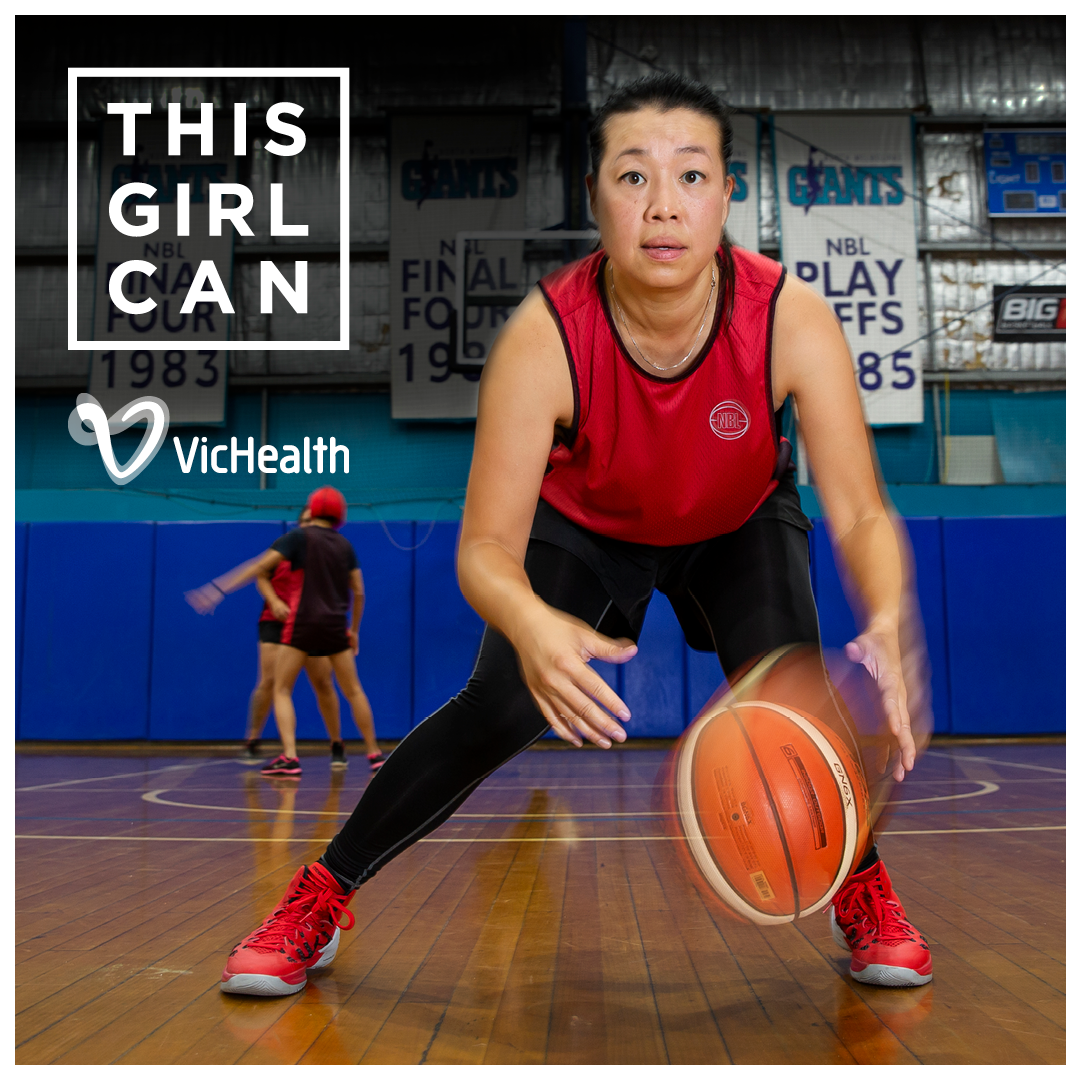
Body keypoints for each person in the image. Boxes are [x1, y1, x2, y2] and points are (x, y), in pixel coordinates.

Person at [219, 73, 933, 999]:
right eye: (633, 178)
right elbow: (483, 551)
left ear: (726, 194)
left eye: (691, 176)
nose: (664, 206)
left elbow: (864, 511)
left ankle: (865, 895)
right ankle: (316, 898)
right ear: (595, 196)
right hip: (590, 524)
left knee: (792, 686)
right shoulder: (544, 339)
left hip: (735, 519)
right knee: (502, 702)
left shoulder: (790, 321)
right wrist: (529, 618)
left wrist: (886, 615)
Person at [186, 487, 385, 778]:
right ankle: (374, 754)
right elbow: (360, 591)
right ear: (340, 514)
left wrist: (217, 589)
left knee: (281, 688)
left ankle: (290, 757)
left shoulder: (298, 537)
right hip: (334, 626)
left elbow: (258, 567)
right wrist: (353, 629)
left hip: (301, 623)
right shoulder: (345, 545)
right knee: (353, 690)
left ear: (312, 510)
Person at [243, 508, 350, 771]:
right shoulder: (284, 547)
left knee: (323, 682)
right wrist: (275, 601)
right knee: (269, 682)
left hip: (309, 624)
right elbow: (260, 575)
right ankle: (255, 736)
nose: (310, 526)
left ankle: (337, 743)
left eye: (313, 521)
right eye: (305, 521)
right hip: (275, 622)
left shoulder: (326, 553)